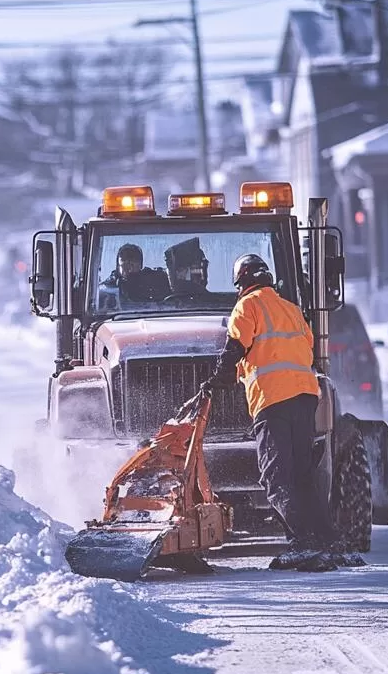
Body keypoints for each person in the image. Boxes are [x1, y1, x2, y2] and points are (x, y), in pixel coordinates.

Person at [203, 254, 343, 567]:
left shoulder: (247, 306)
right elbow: (305, 348)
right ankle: (327, 542)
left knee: (276, 478)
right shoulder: (292, 309)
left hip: (272, 400)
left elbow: (235, 347)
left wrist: (216, 381)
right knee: (303, 475)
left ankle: (303, 543)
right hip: (306, 396)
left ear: (242, 282)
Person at [101, 243, 171, 305]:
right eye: (125, 264)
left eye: (133, 263)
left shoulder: (152, 279)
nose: (130, 269)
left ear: (140, 265)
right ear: (118, 266)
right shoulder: (109, 287)